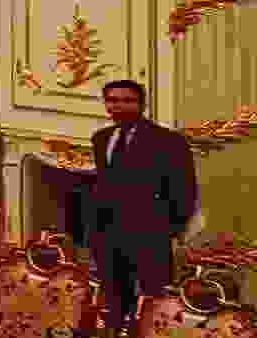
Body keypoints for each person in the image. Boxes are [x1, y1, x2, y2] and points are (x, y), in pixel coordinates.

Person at [74, 77, 197, 313]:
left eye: (127, 101)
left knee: (154, 300)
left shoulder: (169, 141)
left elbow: (185, 191)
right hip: (108, 235)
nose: (119, 106)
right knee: (115, 298)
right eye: (112, 101)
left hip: (149, 236)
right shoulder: (101, 138)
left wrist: (167, 230)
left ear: (142, 105)